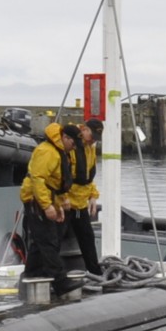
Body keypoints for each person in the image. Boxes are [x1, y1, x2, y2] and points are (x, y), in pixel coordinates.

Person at [20, 122, 80, 294]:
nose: (74, 148)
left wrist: (59, 203)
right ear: (65, 138)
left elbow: (56, 183)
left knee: (39, 242)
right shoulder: (47, 152)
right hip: (36, 199)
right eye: (73, 144)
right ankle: (60, 282)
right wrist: (46, 206)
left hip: (46, 197)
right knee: (48, 240)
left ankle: (31, 273)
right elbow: (38, 180)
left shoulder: (59, 153)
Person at [62, 117, 103, 276]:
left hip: (80, 204)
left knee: (87, 237)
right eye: (91, 137)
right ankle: (47, 274)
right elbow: (62, 175)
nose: (93, 141)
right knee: (53, 239)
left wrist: (93, 196)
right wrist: (63, 197)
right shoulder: (71, 146)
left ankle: (95, 272)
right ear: (84, 130)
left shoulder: (90, 148)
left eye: (96, 139)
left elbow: (87, 177)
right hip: (66, 203)